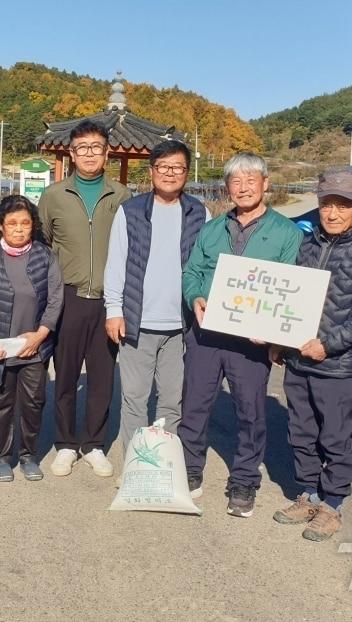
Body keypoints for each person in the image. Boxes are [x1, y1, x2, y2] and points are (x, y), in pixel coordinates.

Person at [270, 169, 352, 541]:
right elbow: (290, 298)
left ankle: (332, 504)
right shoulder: (306, 245)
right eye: (327, 204)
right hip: (297, 359)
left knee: (336, 437)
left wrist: (328, 344)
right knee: (300, 431)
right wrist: (279, 338)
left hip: (336, 364)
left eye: (343, 205)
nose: (333, 213)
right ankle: (307, 493)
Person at [178, 152, 302, 518]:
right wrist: (195, 296)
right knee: (195, 405)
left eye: (251, 179)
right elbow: (192, 272)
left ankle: (245, 480)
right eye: (236, 181)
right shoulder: (212, 229)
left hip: (252, 343)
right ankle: (189, 471)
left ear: (265, 184)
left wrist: (276, 335)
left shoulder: (286, 233)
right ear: (227, 187)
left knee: (251, 412)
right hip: (207, 334)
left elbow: (290, 286)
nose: (244, 187)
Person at [103, 139, 208, 467]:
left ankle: (163, 468)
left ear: (186, 173)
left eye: (177, 168)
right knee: (134, 400)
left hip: (180, 325)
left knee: (171, 402)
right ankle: (134, 468)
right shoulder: (131, 211)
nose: (170, 173)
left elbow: (205, 264)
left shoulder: (199, 211)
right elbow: (116, 263)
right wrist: (114, 311)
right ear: (152, 172)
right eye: (163, 167)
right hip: (137, 322)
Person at [37, 120, 132, 478]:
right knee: (64, 375)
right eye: (82, 148)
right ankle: (64, 444)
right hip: (69, 297)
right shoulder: (54, 196)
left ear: (107, 152)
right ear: (71, 153)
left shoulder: (121, 196)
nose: (89, 153)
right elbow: (44, 241)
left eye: (96, 147)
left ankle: (93, 444)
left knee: (103, 377)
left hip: (109, 300)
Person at [0, 196, 62, 482]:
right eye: (12, 223)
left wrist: (42, 333)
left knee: (33, 402)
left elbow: (56, 299)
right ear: (0, 227)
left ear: (33, 225)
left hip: (35, 346)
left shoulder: (45, 256)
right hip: (0, 349)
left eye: (25, 223)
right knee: (1, 404)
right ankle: (2, 458)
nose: (19, 229)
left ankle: (29, 455)